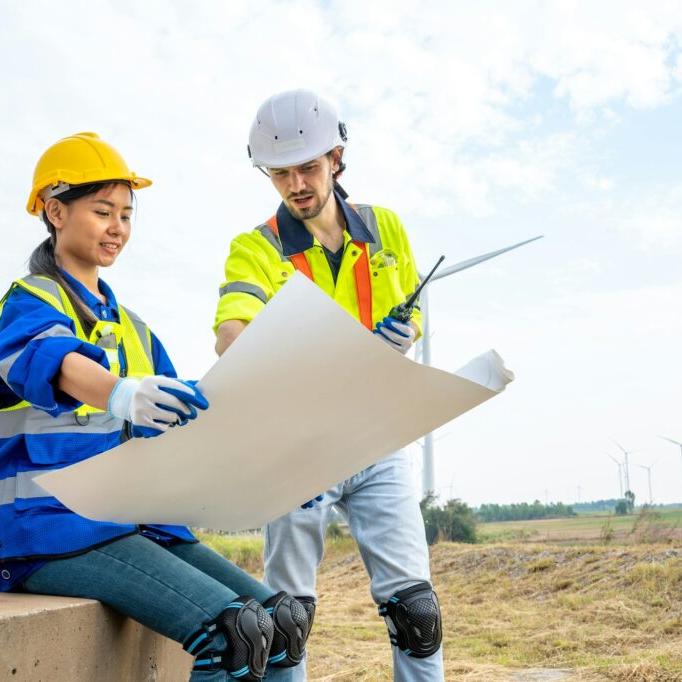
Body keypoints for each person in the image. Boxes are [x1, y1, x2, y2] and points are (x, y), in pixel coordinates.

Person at [0, 132, 312, 681]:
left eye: (126, 213)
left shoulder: (134, 330)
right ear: (54, 211)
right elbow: (51, 359)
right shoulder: (28, 303)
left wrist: (280, 460)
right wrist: (121, 392)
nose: (117, 226)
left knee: (282, 625)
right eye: (102, 211)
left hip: (129, 523)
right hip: (43, 531)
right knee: (232, 632)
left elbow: (191, 418)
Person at [213, 91, 444, 681]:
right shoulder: (256, 247)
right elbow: (232, 337)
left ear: (336, 157)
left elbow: (410, 313)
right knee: (288, 618)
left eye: (307, 167)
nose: (295, 184)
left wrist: (401, 336)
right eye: (280, 172)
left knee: (417, 610)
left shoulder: (384, 227)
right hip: (300, 446)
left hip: (377, 436)